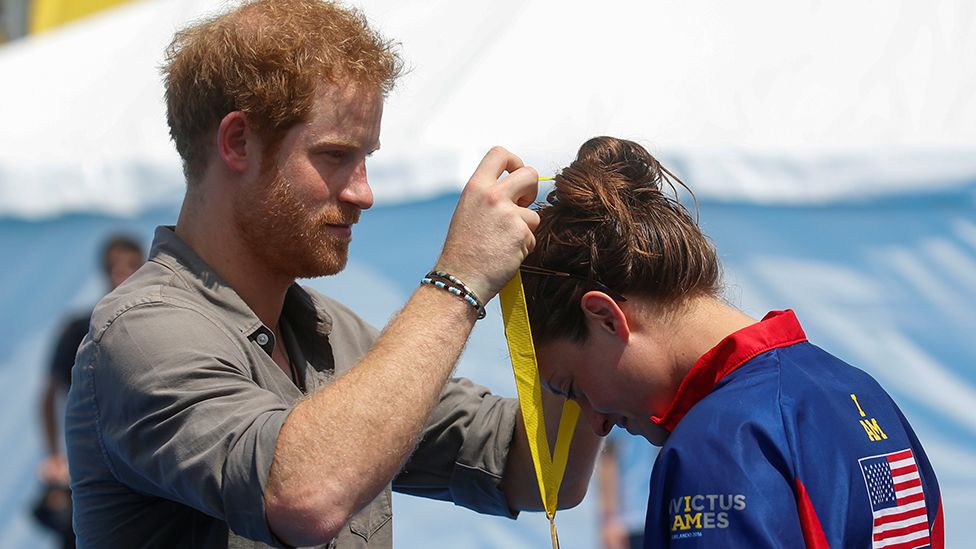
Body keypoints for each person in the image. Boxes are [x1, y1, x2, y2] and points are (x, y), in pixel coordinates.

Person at [64, 1, 600, 547]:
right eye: (335, 155)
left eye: (366, 156)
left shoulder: (332, 335)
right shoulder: (141, 332)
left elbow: (538, 472)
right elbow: (303, 495)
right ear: (236, 142)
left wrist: (572, 292)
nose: (362, 192)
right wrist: (459, 280)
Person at [521, 136, 944, 548]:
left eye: (573, 389)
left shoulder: (718, 443)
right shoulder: (860, 391)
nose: (596, 423)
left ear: (606, 319)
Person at [34, 234, 143, 549]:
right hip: (89, 467)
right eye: (113, 267)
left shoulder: (160, 326)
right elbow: (49, 392)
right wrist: (54, 456)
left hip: (139, 468)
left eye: (130, 266)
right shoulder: (81, 327)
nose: (120, 275)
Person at [596, 430, 654, 549]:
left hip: (642, 517)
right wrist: (610, 521)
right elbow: (608, 462)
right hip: (630, 521)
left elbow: (607, 462)